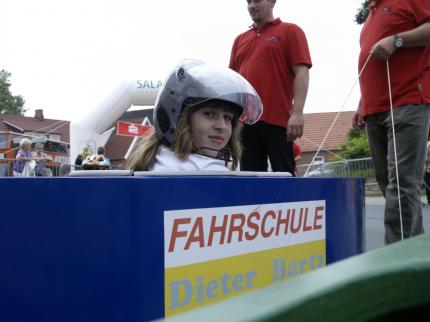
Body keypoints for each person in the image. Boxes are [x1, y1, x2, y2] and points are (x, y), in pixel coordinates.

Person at [353, 0, 430, 244]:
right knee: (388, 184)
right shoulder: (371, 15)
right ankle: (413, 253)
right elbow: (369, 65)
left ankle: (397, 259)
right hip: (375, 108)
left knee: (402, 186)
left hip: (407, 101)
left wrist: (397, 40)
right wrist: (362, 102)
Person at [126, 59, 263, 172]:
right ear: (179, 120)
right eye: (209, 114)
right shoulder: (169, 170)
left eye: (228, 118)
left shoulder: (228, 164)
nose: (222, 126)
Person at [229, 0, 311, 174]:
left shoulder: (290, 31)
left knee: (285, 177)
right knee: (251, 182)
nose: (251, 5)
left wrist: (297, 113)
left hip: (278, 120)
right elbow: (233, 82)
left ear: (272, 1)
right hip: (247, 123)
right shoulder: (239, 40)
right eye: (248, 1)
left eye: (257, 0)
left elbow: (302, 73)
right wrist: (232, 121)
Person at [424, 141, 430, 205]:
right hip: (428, 171)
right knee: (428, 187)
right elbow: (425, 158)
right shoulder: (428, 144)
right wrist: (424, 169)